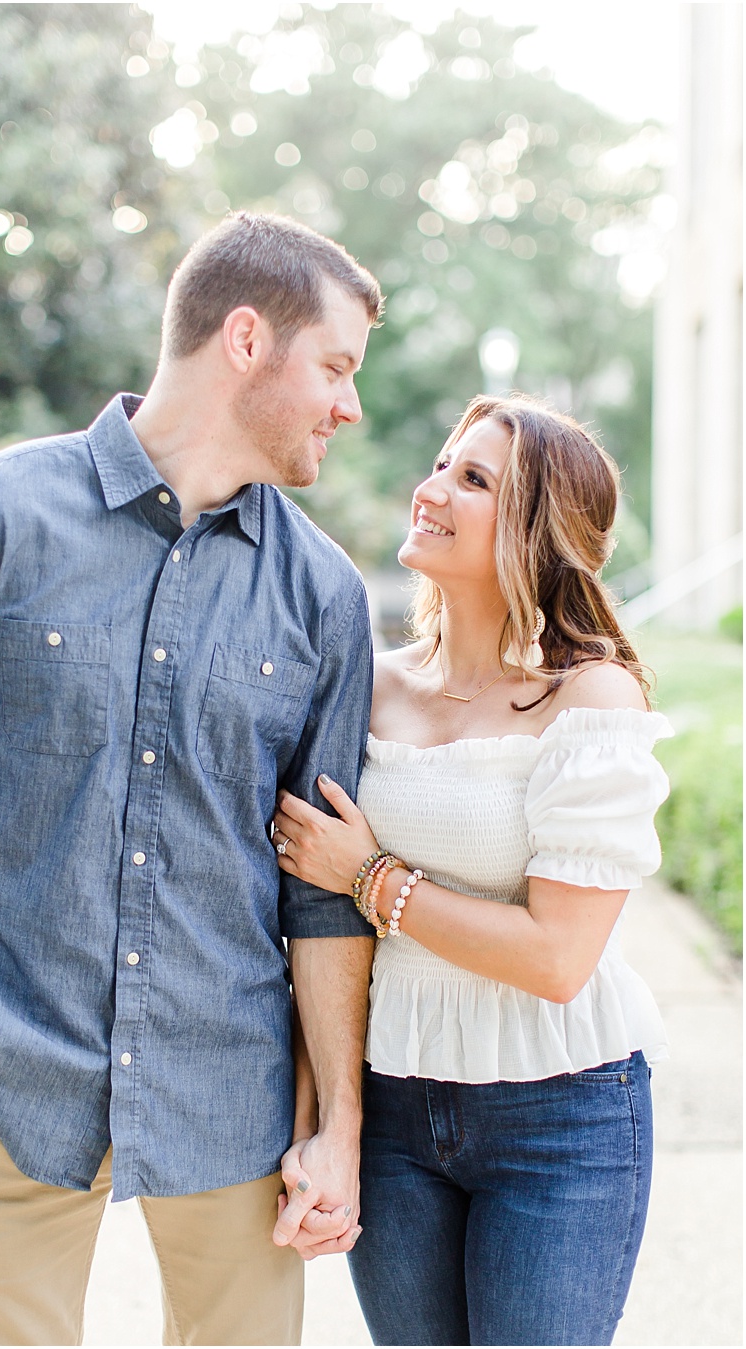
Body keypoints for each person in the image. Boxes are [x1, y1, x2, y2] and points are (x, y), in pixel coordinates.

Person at [0, 212, 383, 1347]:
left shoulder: (325, 598)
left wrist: (338, 1119)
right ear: (247, 340)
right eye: (334, 366)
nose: (350, 404)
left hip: (230, 1080)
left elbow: (320, 892)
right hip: (9, 1060)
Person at [272, 395, 669, 1347]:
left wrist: (372, 877)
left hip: (562, 1114)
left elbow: (557, 957)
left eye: (474, 479)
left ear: (538, 530)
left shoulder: (591, 694)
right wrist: (321, 1128)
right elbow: (310, 928)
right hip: (397, 1106)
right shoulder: (364, 685)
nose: (432, 487)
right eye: (444, 462)